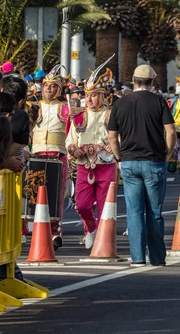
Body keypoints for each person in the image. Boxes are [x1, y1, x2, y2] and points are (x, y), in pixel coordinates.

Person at [107, 64, 176, 267]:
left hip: (129, 161)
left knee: (134, 212)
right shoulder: (158, 101)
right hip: (154, 161)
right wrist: (168, 153)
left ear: (133, 80)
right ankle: (157, 257)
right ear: (152, 82)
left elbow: (112, 136)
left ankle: (137, 257)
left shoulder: (120, 103)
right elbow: (170, 131)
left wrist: (119, 157)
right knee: (154, 212)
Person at [66, 65, 117, 250]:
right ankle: (91, 228)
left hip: (105, 165)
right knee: (82, 205)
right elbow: (70, 140)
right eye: (87, 95)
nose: (89, 99)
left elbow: (119, 140)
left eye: (94, 95)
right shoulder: (79, 116)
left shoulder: (111, 115)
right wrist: (73, 149)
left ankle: (104, 239)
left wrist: (109, 148)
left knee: (105, 206)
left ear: (103, 96)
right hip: (83, 165)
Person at [31, 65, 71, 249]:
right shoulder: (33, 107)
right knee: (32, 193)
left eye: (53, 85)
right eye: (46, 85)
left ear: (59, 89)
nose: (48, 88)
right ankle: (28, 228)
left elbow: (73, 131)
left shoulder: (64, 108)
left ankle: (55, 231)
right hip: (36, 156)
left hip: (57, 157)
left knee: (55, 196)